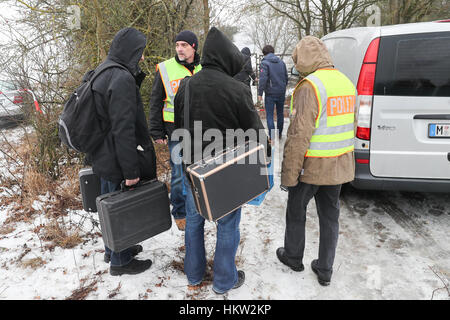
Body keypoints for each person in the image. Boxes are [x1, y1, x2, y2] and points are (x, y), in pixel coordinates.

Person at [173, 27, 270, 295]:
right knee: (227, 226)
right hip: (225, 172)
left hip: (193, 170)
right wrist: (264, 161)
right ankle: (224, 280)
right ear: (226, 59)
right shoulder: (237, 89)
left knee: (194, 222)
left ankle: (193, 275)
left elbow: (178, 127)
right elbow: (256, 134)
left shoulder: (186, 85)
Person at [277, 36, 357, 286]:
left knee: (296, 211)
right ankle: (325, 269)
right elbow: (351, 125)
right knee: (330, 216)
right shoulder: (346, 82)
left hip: (309, 168)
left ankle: (293, 257)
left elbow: (299, 136)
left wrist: (289, 176)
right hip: (338, 166)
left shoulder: (309, 86)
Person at [89, 27, 155, 276]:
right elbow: (123, 129)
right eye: (140, 52)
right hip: (116, 156)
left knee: (109, 206)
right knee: (120, 209)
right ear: (130, 51)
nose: (141, 58)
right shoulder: (121, 78)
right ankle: (120, 261)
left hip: (102, 154)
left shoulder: (103, 70)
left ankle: (113, 249)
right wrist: (131, 170)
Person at [148, 30, 202, 231]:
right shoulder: (165, 69)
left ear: (193, 47)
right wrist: (156, 130)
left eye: (184, 45)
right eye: (177, 45)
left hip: (200, 130)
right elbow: (155, 101)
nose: (179, 49)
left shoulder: (204, 68)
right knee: (179, 173)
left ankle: (198, 206)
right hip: (175, 130)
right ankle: (179, 212)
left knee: (198, 170)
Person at [257, 45, 288, 141]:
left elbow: (263, 79)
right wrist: (282, 87)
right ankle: (279, 134)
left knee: (269, 115)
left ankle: (272, 137)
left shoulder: (264, 63)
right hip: (281, 92)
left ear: (264, 53)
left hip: (270, 93)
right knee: (280, 113)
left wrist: (260, 94)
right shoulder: (282, 63)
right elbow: (286, 77)